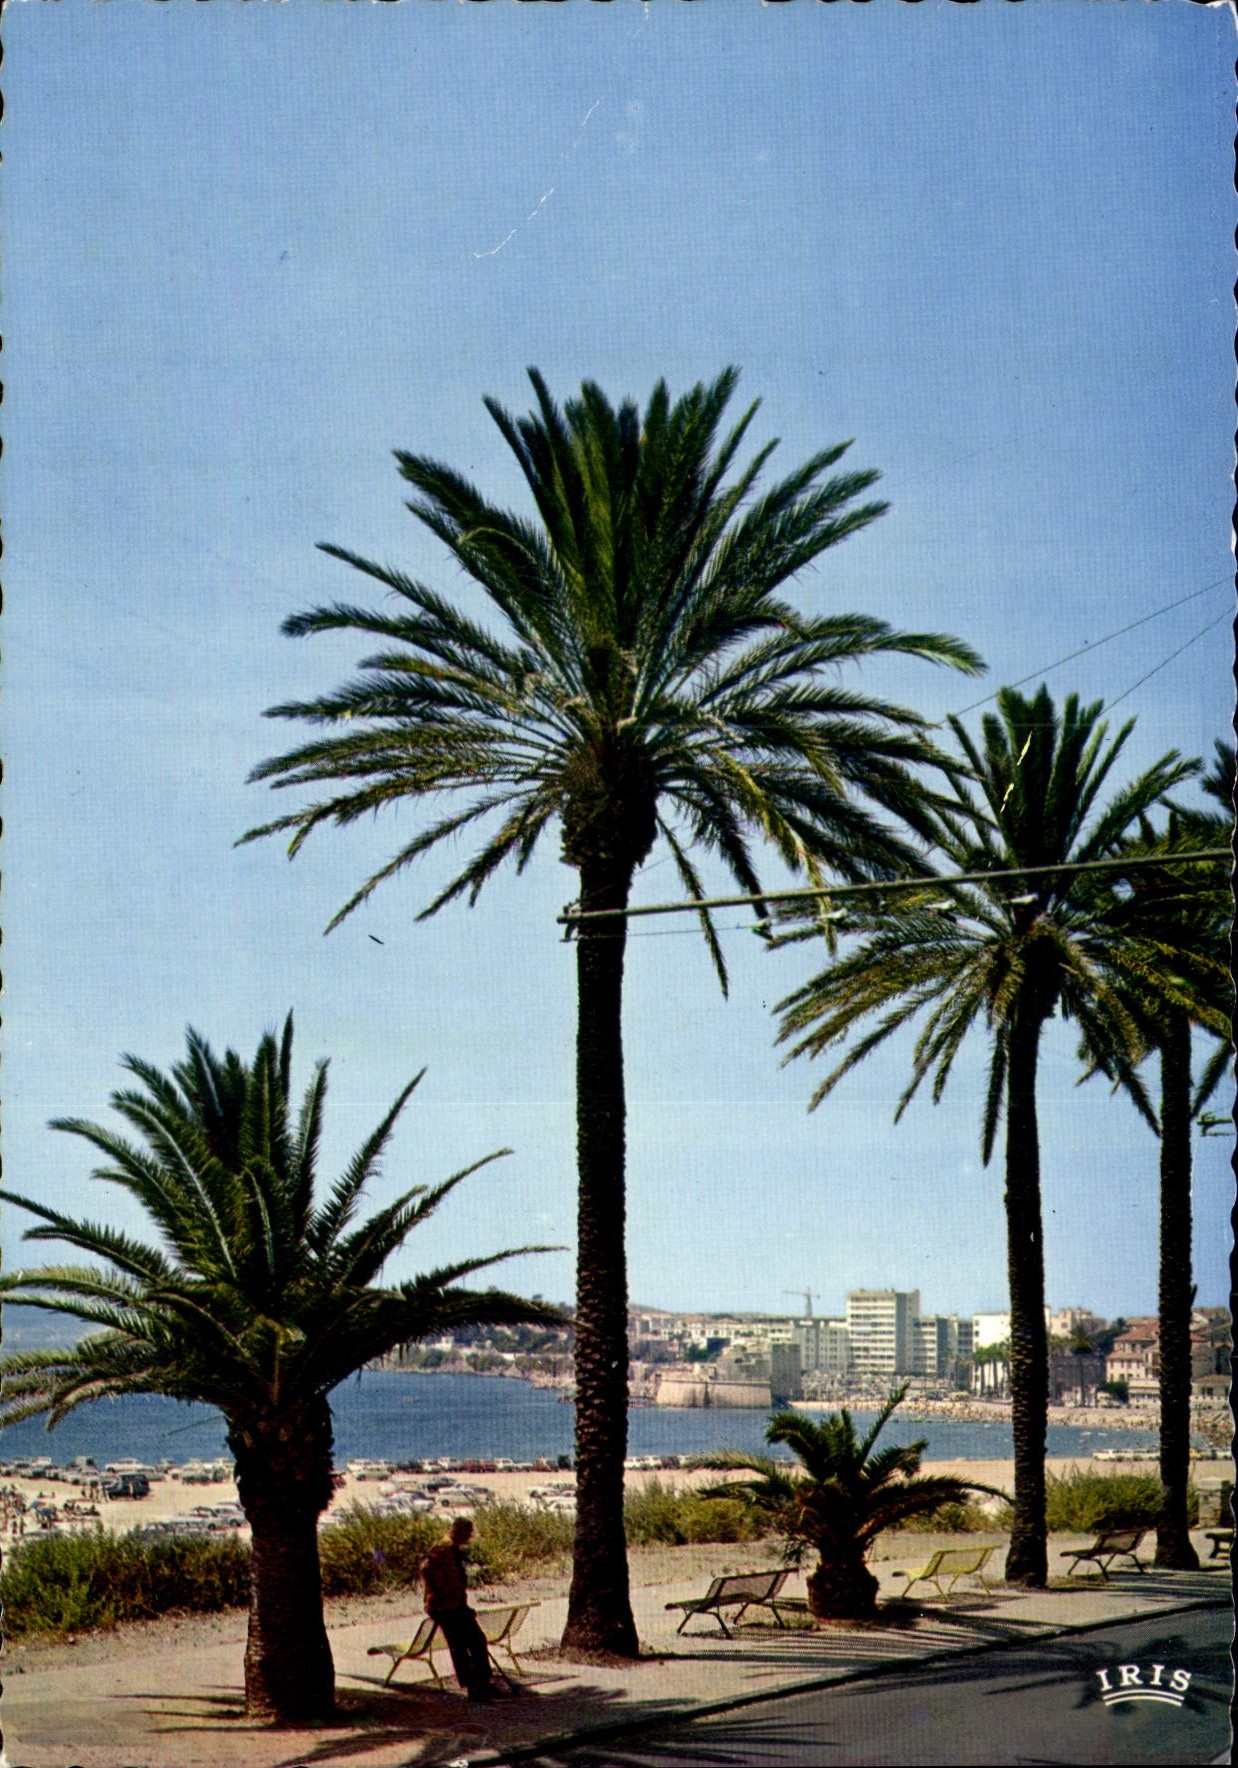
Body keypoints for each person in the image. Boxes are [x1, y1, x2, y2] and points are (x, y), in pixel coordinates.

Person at [421, 1516, 495, 1700]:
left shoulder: (453, 1550)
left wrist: (461, 1603)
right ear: (457, 1531)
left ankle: (483, 1682)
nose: (469, 1538)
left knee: (477, 1639)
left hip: (456, 1606)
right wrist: (438, 1592)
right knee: (459, 1646)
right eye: (467, 1534)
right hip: (443, 1608)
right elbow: (425, 1569)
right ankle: (472, 1686)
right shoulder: (442, 1548)